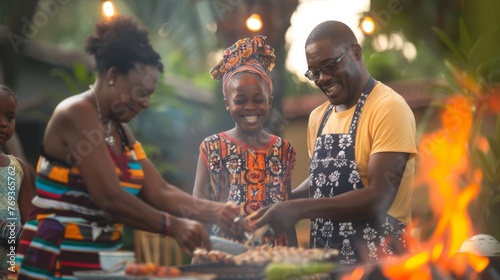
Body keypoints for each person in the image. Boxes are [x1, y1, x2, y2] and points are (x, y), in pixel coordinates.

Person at [15, 16, 248, 279]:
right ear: (113, 75)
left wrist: (218, 212)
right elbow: (109, 197)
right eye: (140, 92)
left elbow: (159, 190)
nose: (146, 103)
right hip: (56, 261)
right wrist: (174, 225)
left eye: (149, 95)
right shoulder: (76, 112)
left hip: (98, 263)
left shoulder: (122, 131)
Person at [249, 21, 417, 264]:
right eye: (314, 72)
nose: (322, 78)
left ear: (356, 53)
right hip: (328, 264)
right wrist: (284, 199)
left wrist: (299, 209)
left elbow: (378, 197)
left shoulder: (388, 108)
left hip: (381, 265)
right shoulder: (319, 117)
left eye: (329, 66)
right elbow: (325, 181)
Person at [193, 35, 297, 247]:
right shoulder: (212, 148)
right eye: (240, 101)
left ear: (270, 101)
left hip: (275, 258)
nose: (250, 107)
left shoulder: (283, 150)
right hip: (227, 255)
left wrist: (295, 257)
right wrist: (200, 254)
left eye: (258, 100)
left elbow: (288, 212)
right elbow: (198, 209)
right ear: (227, 103)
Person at [0, 85, 34, 279]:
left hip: (12, 269)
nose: (3, 123)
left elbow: (30, 224)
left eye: (9, 117)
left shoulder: (18, 168)